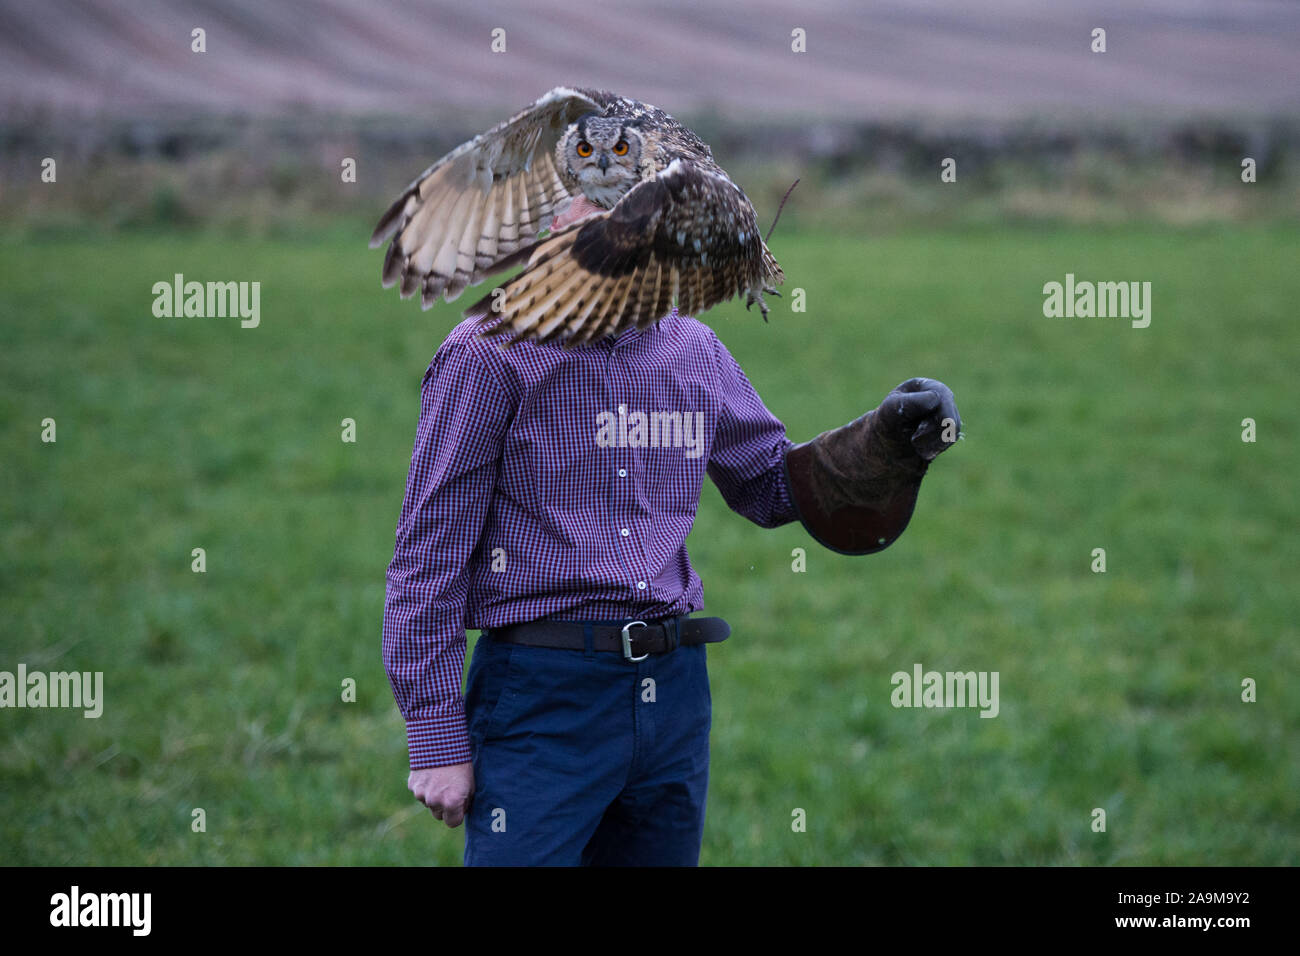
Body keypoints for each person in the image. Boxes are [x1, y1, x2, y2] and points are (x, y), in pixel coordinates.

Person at [383, 196, 961, 866]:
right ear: (550, 227)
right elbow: (429, 554)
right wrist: (434, 735)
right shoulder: (489, 354)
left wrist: (890, 440)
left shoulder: (693, 350)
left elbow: (772, 485)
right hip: (543, 695)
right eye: (590, 214)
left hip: (674, 692)